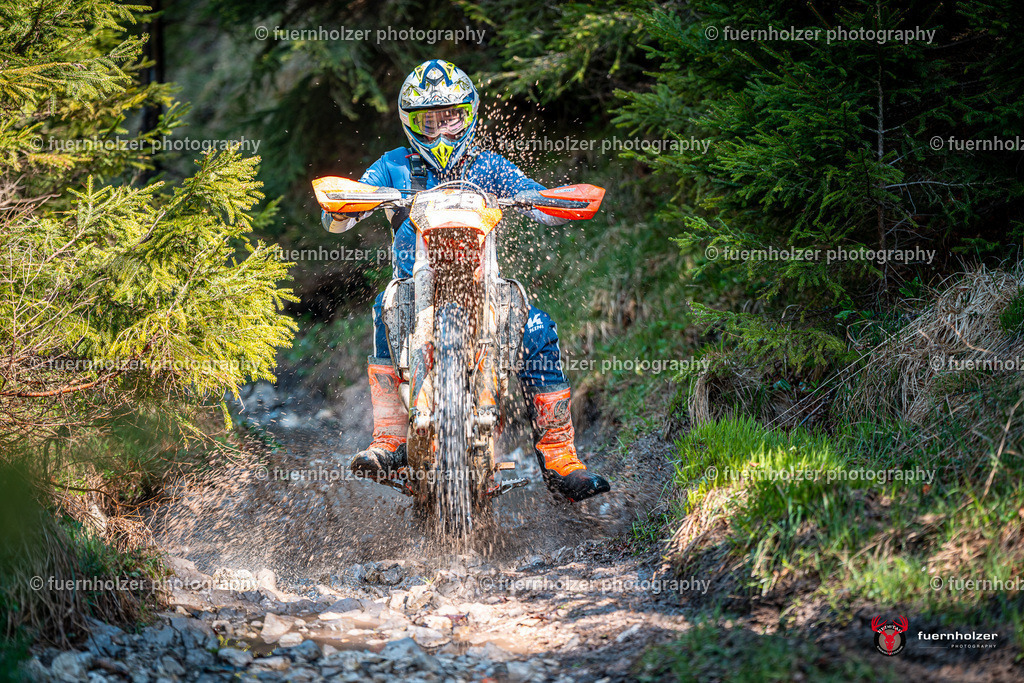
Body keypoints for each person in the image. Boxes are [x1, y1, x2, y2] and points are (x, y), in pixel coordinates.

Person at [322, 59, 609, 502]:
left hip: (483, 286)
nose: (440, 131)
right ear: (410, 123)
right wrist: (348, 206)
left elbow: (536, 202)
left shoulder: (487, 165)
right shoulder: (393, 166)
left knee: (536, 328)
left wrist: (546, 201)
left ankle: (560, 457)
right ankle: (390, 438)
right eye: (428, 122)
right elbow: (337, 219)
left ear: (468, 115)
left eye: (450, 118)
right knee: (385, 305)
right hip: (415, 289)